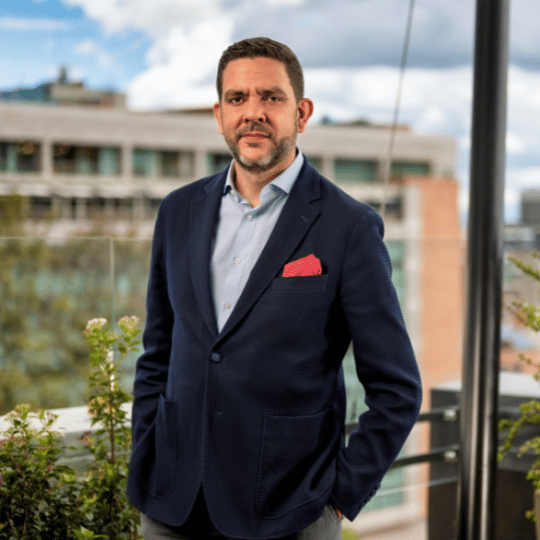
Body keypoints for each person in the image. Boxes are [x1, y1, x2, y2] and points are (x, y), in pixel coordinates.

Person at [127, 36, 422, 540]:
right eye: (238, 98)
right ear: (220, 114)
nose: (253, 112)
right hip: (171, 503)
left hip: (288, 509)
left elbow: (397, 388)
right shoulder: (178, 211)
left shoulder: (349, 227)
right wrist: (146, 453)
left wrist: (338, 498)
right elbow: (158, 353)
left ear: (301, 113)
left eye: (271, 97)